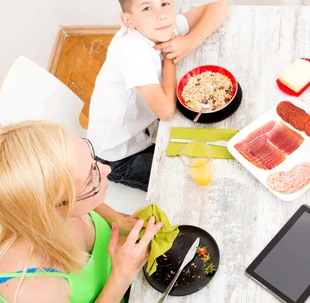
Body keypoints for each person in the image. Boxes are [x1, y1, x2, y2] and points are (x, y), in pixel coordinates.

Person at [0, 121, 163, 303]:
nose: (107, 169)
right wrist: (121, 277)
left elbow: (90, 204)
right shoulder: (30, 284)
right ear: (52, 209)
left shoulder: (54, 207)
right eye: (91, 177)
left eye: (92, 161)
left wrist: (118, 221)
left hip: (117, 295)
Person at [87, 0, 229, 191]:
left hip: (146, 130)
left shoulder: (156, 28)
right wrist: (170, 57)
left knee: (215, 152)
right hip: (119, 156)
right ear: (128, 21)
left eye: (164, 3)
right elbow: (166, 111)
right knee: (193, 184)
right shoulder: (131, 52)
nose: (161, 14)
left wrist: (188, 42)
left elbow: (219, 7)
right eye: (147, 8)